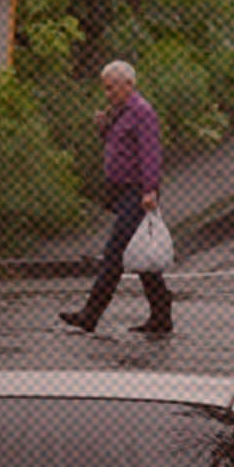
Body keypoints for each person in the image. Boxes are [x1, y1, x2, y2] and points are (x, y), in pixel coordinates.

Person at [60, 60, 174, 335]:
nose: (108, 93)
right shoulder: (120, 112)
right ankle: (161, 315)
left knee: (114, 253)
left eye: (112, 88)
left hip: (136, 192)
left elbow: (150, 153)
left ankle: (91, 313)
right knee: (140, 256)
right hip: (122, 192)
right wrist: (103, 127)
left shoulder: (141, 112)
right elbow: (118, 147)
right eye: (106, 88)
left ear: (128, 85)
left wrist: (150, 189)